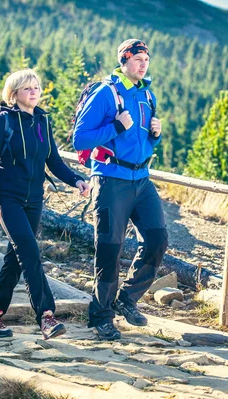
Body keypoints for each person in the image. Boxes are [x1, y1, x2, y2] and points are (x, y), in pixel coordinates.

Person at [0, 69, 91, 340]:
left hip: (34, 200)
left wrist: (76, 180)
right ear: (14, 94)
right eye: (27, 88)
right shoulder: (3, 121)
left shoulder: (41, 121)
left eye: (36, 87)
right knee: (30, 252)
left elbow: (53, 160)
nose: (34, 92)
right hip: (8, 200)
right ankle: (47, 317)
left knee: (15, 260)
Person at [73, 39, 169, 340]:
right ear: (124, 60)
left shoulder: (146, 94)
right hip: (111, 180)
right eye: (138, 58)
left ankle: (125, 300)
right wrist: (115, 127)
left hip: (141, 180)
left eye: (146, 59)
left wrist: (155, 136)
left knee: (157, 239)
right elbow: (80, 138)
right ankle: (101, 317)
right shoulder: (107, 93)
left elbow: (143, 143)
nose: (143, 64)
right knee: (110, 249)